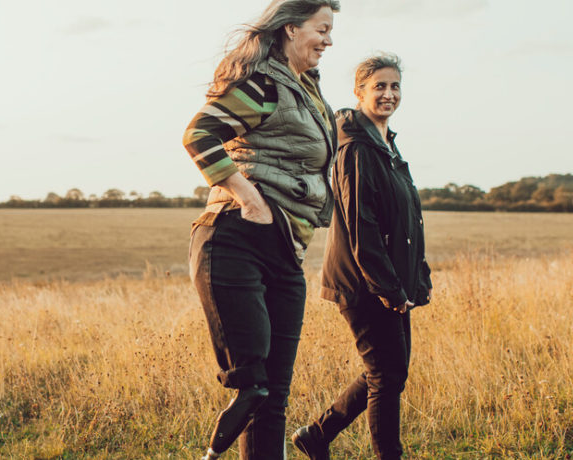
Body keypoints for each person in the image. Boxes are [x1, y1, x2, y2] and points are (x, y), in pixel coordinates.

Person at [181, 1, 340, 458]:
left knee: (273, 395)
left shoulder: (308, 93)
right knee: (254, 387)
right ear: (290, 29)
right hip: (236, 237)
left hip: (285, 249)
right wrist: (248, 198)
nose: (329, 40)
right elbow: (199, 134)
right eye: (321, 29)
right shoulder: (265, 85)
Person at [291, 53, 432, 460]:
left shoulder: (385, 145)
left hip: (389, 282)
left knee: (389, 372)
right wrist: (387, 287)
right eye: (379, 87)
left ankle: (316, 435)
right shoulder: (355, 148)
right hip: (363, 283)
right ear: (359, 92)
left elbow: (407, 220)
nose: (388, 94)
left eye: (395, 87)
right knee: (386, 377)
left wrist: (415, 278)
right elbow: (360, 224)